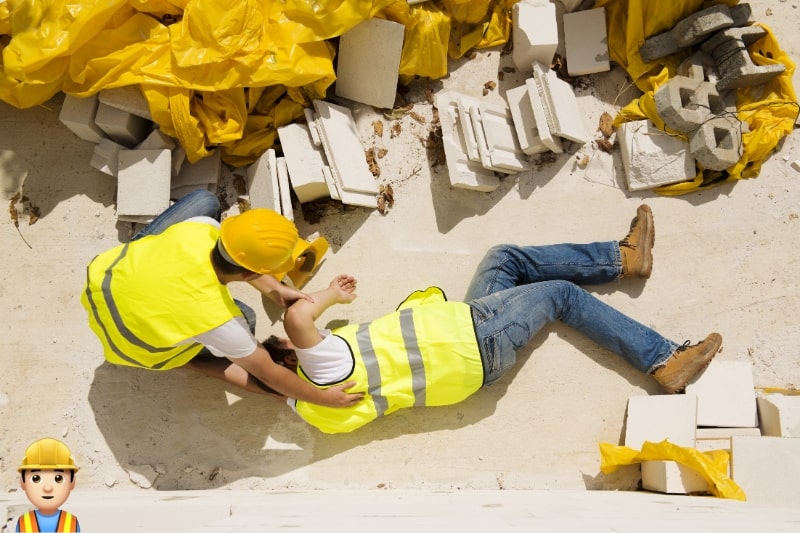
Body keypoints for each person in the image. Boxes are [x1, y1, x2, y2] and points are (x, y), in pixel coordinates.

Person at [264, 205, 722, 433]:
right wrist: (330, 294)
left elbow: (255, 377)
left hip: (468, 343)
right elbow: (299, 318)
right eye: (293, 347)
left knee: (504, 259)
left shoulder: (312, 410)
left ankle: (624, 258)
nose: (313, 337)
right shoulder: (324, 369)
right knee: (561, 295)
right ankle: (664, 360)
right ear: (291, 361)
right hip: (475, 338)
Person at [81, 188, 363, 408]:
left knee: (205, 201)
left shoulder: (200, 228)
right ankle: (183, 359)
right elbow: (269, 375)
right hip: (133, 346)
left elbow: (239, 261)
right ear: (251, 274)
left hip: (103, 281)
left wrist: (275, 289)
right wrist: (323, 398)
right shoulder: (221, 321)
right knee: (248, 320)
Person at [17, 438, 80, 532]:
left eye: (58, 478)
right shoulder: (23, 523)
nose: (47, 488)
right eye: (36, 478)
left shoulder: (72, 522)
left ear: (72, 483)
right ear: (23, 483)